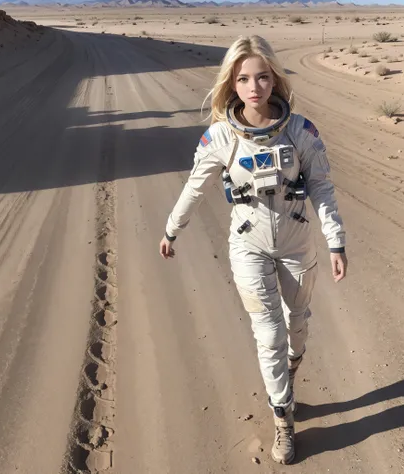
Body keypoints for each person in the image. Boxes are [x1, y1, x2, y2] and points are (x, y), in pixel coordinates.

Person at [159, 35, 347, 465]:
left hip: (298, 245)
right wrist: (172, 229)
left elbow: (321, 186)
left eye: (263, 76)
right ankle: (283, 417)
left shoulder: (300, 131)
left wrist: (335, 239)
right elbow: (195, 186)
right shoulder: (221, 137)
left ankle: (290, 371)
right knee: (270, 335)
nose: (254, 86)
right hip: (249, 247)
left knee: (296, 329)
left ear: (275, 80)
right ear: (232, 84)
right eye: (243, 78)